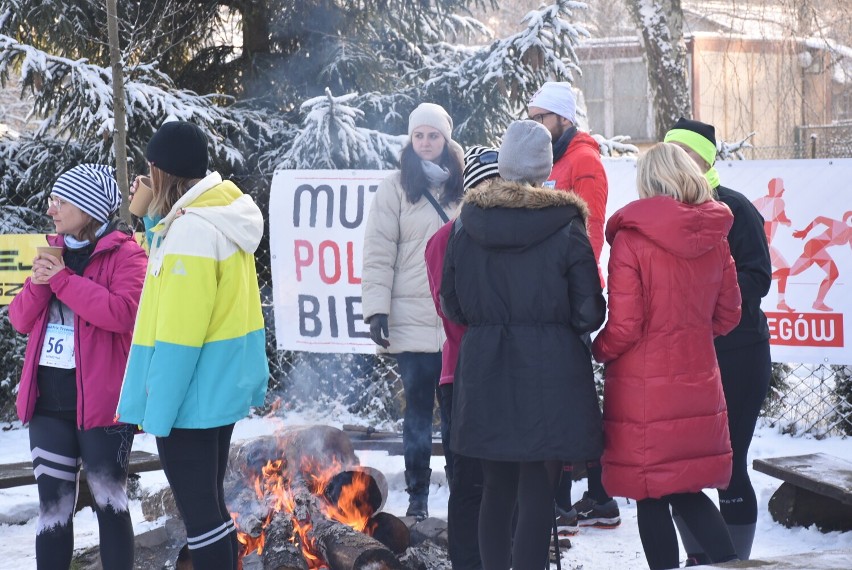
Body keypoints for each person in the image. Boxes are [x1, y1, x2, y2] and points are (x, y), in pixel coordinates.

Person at [441, 120, 606, 570]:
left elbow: (451, 304)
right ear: (546, 167)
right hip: (549, 376)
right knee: (538, 492)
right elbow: (590, 310)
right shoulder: (568, 226)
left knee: (496, 489)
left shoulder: (465, 226)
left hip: (485, 373)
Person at [116, 120, 269, 570]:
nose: (144, 174)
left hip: (189, 397)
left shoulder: (191, 232)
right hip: (214, 390)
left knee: (201, 519)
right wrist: (147, 218)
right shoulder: (214, 217)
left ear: (164, 172)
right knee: (212, 513)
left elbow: (180, 336)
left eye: (150, 166)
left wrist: (156, 414)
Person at [592, 142, 741, 570]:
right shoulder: (716, 238)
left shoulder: (632, 240)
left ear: (648, 181)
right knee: (688, 491)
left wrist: (597, 349)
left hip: (644, 388)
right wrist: (689, 334)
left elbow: (624, 327)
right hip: (698, 382)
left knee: (649, 494)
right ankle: (733, 564)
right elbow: (729, 314)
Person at [9, 164, 147, 569]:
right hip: (48, 407)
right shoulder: (52, 251)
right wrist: (40, 283)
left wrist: (65, 281)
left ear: (87, 209)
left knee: (110, 503)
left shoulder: (126, 254)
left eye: (60, 201)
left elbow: (124, 314)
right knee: (53, 510)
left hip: (105, 408)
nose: (51, 210)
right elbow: (19, 320)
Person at [664, 117, 772, 563]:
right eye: (670, 154)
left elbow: (758, 277)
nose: (676, 163)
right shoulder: (660, 211)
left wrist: (707, 300)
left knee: (730, 467)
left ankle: (733, 562)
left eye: (685, 154)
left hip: (737, 353)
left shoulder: (735, 208)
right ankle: (698, 558)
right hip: (682, 358)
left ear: (704, 159)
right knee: (682, 471)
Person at [361, 102, 464, 520]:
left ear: (446, 139)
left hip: (454, 321)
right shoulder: (395, 187)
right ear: (410, 139)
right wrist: (376, 310)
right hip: (410, 317)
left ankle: (463, 494)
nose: (425, 143)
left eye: (433, 135)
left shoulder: (463, 185)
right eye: (419, 135)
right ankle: (418, 497)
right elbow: (378, 251)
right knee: (418, 414)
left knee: (458, 415)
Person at [528, 81, 619, 530]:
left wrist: (569, 288)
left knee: (568, 397)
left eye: (541, 118)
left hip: (570, 297)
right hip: (553, 294)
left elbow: (590, 230)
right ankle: (594, 497)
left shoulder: (583, 160)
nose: (535, 126)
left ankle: (576, 498)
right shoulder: (557, 159)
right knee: (566, 395)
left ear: (563, 119)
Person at [425, 145, 499, 568]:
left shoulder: (447, 238)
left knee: (484, 484)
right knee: (480, 483)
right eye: (486, 184)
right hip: (469, 375)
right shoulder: (448, 238)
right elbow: (448, 309)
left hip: (477, 374)